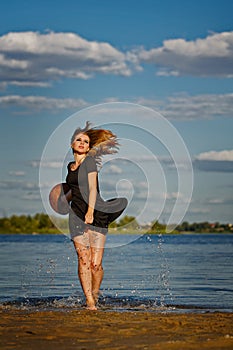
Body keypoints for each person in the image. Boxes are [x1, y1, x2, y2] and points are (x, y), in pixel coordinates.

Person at [65, 122, 127, 310]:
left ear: (89, 146)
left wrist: (90, 212)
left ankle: (95, 293)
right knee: (83, 259)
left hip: (96, 214)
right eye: (79, 140)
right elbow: (73, 190)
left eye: (86, 141)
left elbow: (92, 188)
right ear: (72, 144)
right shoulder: (70, 166)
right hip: (75, 215)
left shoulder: (89, 163)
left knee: (95, 264)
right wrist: (62, 201)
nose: (82, 143)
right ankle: (89, 301)